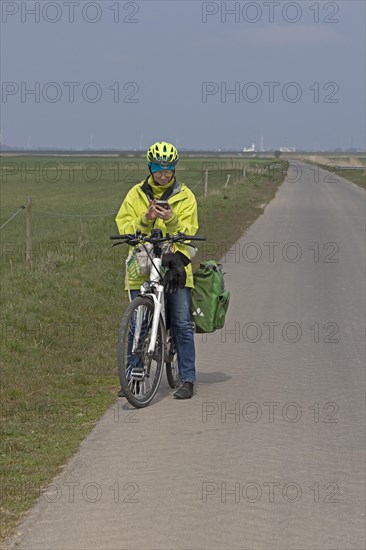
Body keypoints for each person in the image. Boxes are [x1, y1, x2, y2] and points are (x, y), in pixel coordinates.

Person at [115, 141, 199, 399]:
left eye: (169, 169)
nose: (164, 174)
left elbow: (189, 231)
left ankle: (187, 378)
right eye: (159, 168)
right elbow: (123, 225)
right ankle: (133, 374)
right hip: (143, 266)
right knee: (137, 324)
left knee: (183, 323)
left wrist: (171, 219)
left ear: (174, 168)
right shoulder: (135, 195)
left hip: (174, 266)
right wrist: (147, 218)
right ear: (150, 167)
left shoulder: (185, 196)